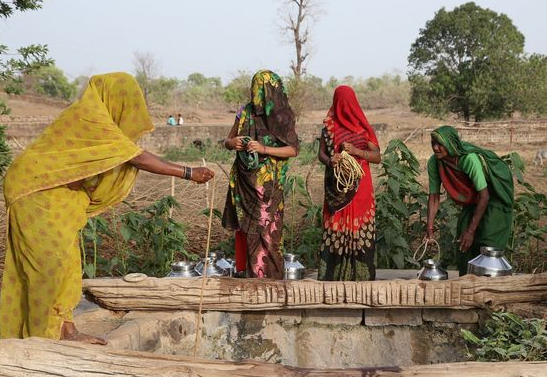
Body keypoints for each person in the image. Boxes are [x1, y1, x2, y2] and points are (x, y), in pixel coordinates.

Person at [0, 72, 214, 344]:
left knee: (67, 263)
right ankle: (42, 341)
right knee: (47, 268)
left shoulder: (99, 121)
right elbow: (136, 157)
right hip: (34, 193)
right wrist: (188, 171)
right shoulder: (90, 118)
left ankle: (67, 331)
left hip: (56, 193)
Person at [222, 70, 299, 279]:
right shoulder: (244, 111)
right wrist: (234, 143)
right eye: (254, 88)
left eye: (260, 89)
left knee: (269, 233)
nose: (255, 93)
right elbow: (228, 141)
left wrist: (264, 149)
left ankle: (270, 281)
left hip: (270, 188)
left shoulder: (283, 116)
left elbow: (292, 150)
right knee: (249, 233)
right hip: (246, 183)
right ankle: (252, 279)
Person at [425, 125, 514, 275]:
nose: (435, 148)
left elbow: (484, 195)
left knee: (487, 244)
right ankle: (467, 287)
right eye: (433, 143)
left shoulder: (469, 159)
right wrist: (430, 228)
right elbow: (434, 197)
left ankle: (490, 289)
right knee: (463, 243)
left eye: (440, 144)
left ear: (451, 144)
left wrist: (471, 231)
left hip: (493, 199)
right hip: (473, 201)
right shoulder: (434, 162)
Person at [317, 85, 381, 281]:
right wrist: (330, 160)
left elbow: (377, 157)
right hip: (337, 189)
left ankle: (361, 277)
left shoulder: (363, 128)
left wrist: (356, 151)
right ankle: (334, 277)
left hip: (360, 189)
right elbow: (321, 154)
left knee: (359, 229)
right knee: (336, 227)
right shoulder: (328, 127)